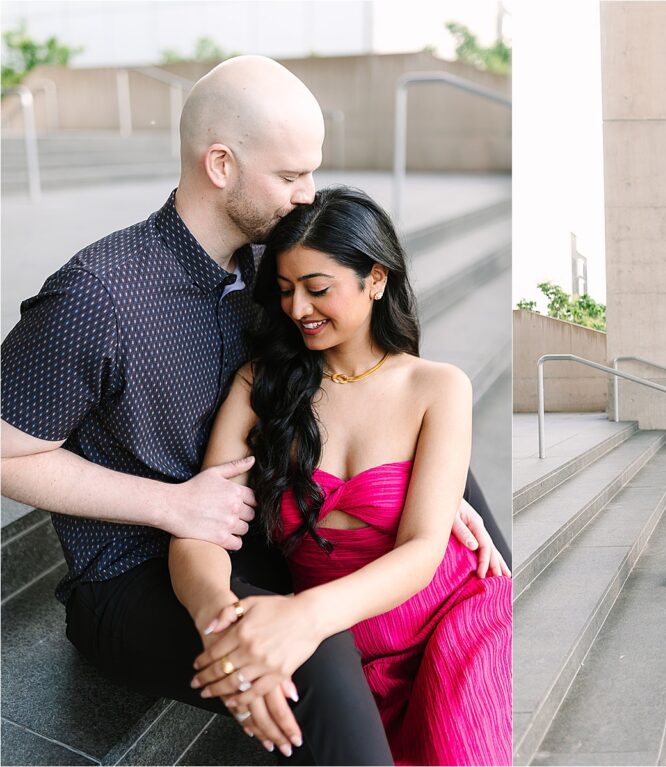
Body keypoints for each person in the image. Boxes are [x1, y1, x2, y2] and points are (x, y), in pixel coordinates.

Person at [0, 55, 505, 764]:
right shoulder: (97, 297)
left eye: (313, 173)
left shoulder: (273, 266)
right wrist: (175, 513)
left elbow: (365, 379)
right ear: (220, 164)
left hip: (257, 517)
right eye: (292, 175)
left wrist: (425, 484)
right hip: (132, 570)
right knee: (313, 653)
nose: (309, 195)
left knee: (475, 531)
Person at [172, 186, 512, 766]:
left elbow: (425, 547)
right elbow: (198, 531)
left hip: (452, 623)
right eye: (285, 291)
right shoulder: (260, 385)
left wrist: (303, 617)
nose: (298, 308)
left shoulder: (437, 386)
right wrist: (222, 622)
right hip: (344, 655)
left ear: (375, 279)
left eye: (318, 289)